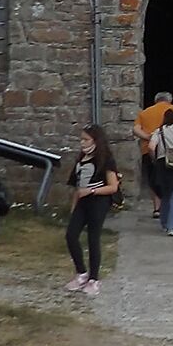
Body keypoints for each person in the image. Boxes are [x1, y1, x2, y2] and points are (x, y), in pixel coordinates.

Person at [64, 125, 119, 297]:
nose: (83, 143)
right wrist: (73, 208)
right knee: (71, 235)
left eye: (86, 139)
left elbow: (113, 187)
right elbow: (77, 187)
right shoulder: (81, 159)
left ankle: (94, 279)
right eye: (81, 139)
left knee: (93, 238)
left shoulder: (105, 160)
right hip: (83, 202)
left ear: (96, 141)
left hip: (98, 202)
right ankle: (81, 273)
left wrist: (92, 191)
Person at [133, 92, 173, 220]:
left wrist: (149, 137)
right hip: (172, 150)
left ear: (156, 101)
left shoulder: (145, 113)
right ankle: (170, 205)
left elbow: (136, 129)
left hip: (150, 150)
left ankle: (157, 208)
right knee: (171, 178)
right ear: (169, 100)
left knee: (154, 179)